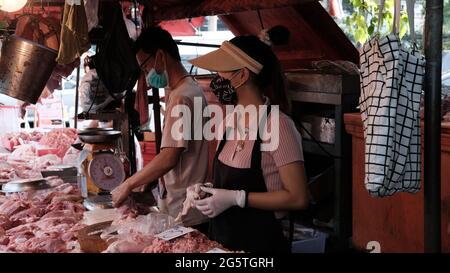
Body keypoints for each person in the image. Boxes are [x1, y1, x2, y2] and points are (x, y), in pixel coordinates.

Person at [188, 26, 309, 253]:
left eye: (221, 73)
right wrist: (208, 192)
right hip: (222, 245)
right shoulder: (228, 121)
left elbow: (298, 197)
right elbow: (229, 184)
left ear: (242, 75)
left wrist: (238, 198)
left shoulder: (279, 126)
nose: (216, 80)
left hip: (261, 246)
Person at [111, 27, 209, 232]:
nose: (146, 76)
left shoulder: (182, 96)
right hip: (190, 200)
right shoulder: (191, 89)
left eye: (145, 68)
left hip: (184, 207)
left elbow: (169, 157)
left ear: (161, 56)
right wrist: (150, 180)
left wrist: (127, 184)